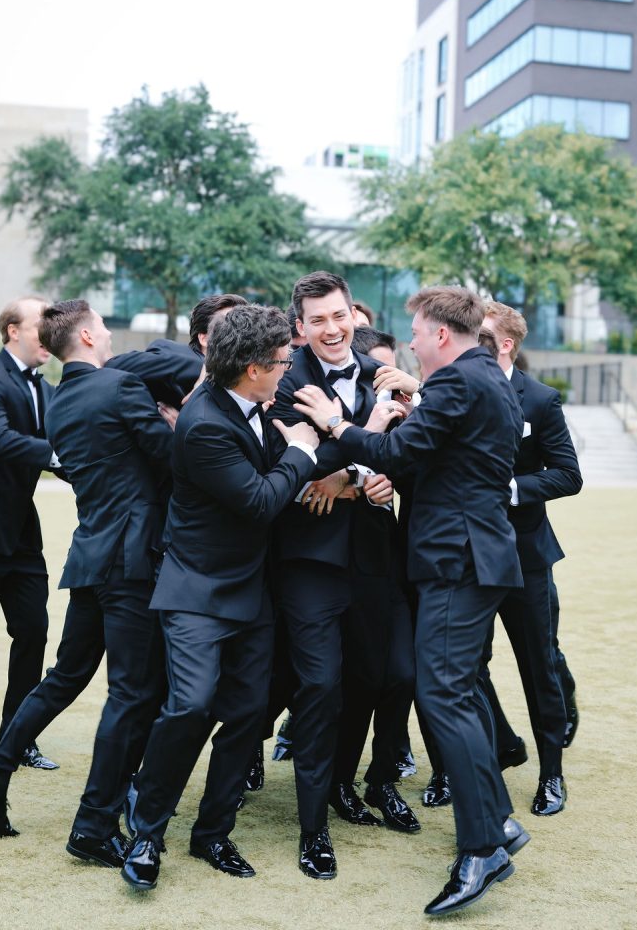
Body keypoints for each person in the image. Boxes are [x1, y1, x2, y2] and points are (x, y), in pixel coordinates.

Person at [293, 285, 529, 917]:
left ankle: (481, 848)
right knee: (458, 692)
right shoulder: (489, 377)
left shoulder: (456, 382)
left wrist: (335, 423)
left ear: (441, 335)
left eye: (419, 334)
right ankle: (499, 821)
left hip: (458, 560)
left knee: (444, 695)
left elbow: (397, 453)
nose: (413, 344)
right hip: (478, 556)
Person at [0, 300, 174, 866]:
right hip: (130, 560)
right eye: (102, 326)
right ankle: (93, 825)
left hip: (90, 557)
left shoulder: (59, 402)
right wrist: (176, 427)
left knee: (64, 677)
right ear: (85, 335)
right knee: (132, 693)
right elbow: (172, 460)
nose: (107, 334)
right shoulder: (121, 388)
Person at [122, 305, 319, 892]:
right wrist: (302, 452)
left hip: (252, 589)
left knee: (248, 714)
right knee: (189, 706)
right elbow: (259, 501)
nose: (289, 368)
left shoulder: (263, 401)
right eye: (283, 360)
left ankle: (212, 833)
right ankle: (147, 832)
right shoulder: (204, 422)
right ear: (253, 368)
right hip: (197, 589)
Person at [267, 272, 417, 882]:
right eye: (318, 320)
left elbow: (407, 454)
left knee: (374, 677)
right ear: (299, 326)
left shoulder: (383, 375)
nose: (331, 330)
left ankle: (342, 784)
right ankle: (313, 830)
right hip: (308, 559)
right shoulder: (284, 379)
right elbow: (291, 465)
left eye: (339, 316)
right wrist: (358, 448)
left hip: (376, 554)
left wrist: (368, 478)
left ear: (354, 315)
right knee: (321, 685)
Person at [480, 301, 582, 812]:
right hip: (470, 556)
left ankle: (552, 775)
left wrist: (511, 489)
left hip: (525, 554)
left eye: (481, 336)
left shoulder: (540, 399)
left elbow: (568, 474)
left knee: (538, 664)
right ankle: (493, 751)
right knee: (468, 666)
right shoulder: (449, 390)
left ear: (506, 345)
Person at [0, 296, 60, 770]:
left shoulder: (47, 388)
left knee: (33, 633)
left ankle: (15, 740)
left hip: (21, 536)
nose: (50, 334)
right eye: (42, 324)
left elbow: (68, 442)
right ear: (13, 332)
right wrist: (57, 456)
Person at [106, 293, 247, 407]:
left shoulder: (244, 380)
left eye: (244, 322)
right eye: (228, 323)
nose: (239, 330)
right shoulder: (189, 362)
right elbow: (112, 366)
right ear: (204, 338)